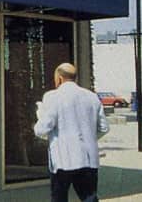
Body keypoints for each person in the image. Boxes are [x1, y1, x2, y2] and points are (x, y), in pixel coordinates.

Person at [34, 63, 109, 202]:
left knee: (59, 197)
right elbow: (104, 128)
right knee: (89, 198)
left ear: (59, 78)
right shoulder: (92, 97)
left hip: (63, 159)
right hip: (88, 159)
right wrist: (89, 138)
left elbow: (42, 129)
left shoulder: (52, 97)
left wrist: (40, 114)